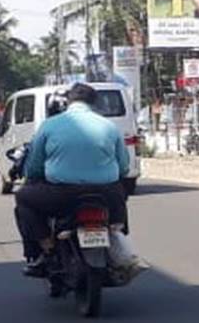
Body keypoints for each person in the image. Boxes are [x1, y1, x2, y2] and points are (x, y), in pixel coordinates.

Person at [14, 83, 140, 277]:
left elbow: (34, 166)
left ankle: (45, 249)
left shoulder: (50, 125)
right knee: (118, 198)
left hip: (62, 195)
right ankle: (117, 238)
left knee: (23, 198)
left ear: (68, 102)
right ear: (95, 103)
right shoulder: (109, 126)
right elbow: (124, 166)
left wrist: (33, 177)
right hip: (107, 194)